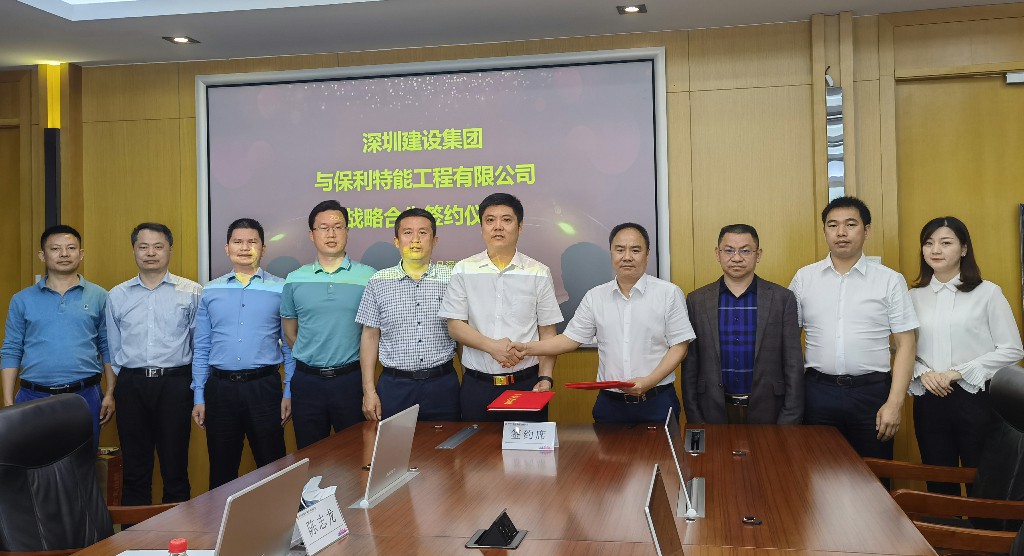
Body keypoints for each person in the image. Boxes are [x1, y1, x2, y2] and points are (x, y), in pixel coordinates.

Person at [512, 222, 693, 423]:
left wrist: (649, 381)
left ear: (647, 254)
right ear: (611, 253)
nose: (627, 257)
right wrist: (526, 348)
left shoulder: (669, 293)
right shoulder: (595, 296)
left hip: (656, 400)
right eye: (620, 250)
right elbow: (569, 340)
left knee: (661, 446)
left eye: (635, 250)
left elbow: (680, 346)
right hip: (610, 403)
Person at [789, 196, 918, 459]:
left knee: (873, 475)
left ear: (866, 230)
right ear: (824, 231)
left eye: (850, 224)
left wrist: (895, 403)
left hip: (872, 394)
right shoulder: (804, 278)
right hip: (817, 393)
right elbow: (787, 338)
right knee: (818, 474)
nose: (841, 232)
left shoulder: (890, 280)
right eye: (833, 225)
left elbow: (906, 343)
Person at [908, 216, 1023, 494]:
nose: (935, 250)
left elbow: (1012, 349)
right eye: (929, 243)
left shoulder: (988, 293)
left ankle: (981, 524)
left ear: (963, 249)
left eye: (946, 243)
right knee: (938, 481)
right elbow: (905, 349)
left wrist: (958, 372)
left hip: (976, 400)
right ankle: (943, 525)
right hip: (929, 399)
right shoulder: (913, 296)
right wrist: (923, 373)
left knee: (981, 481)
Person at [439, 193, 562, 422]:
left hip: (526, 384)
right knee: (476, 446)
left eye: (506, 220)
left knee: (526, 446)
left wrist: (545, 378)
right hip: (477, 386)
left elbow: (547, 332)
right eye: (490, 220)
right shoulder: (463, 269)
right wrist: (493, 347)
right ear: (482, 228)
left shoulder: (538, 272)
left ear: (520, 227)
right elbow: (455, 326)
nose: (498, 227)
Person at [190, 218, 294, 490]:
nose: (244, 248)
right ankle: (220, 520)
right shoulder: (210, 290)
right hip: (220, 389)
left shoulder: (281, 288)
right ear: (227, 248)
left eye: (252, 242)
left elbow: (290, 346)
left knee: (273, 469)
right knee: (221, 471)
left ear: (263, 248)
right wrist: (199, 395)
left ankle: (276, 518)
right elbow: (202, 347)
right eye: (237, 242)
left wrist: (288, 391)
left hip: (264, 388)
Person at [105, 223, 201, 505]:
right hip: (131, 385)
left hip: (175, 384)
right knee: (135, 470)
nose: (150, 253)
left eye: (158, 247)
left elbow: (198, 345)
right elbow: (113, 347)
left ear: (170, 250)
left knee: (175, 468)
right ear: (134, 251)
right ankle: (135, 533)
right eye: (143, 247)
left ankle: (179, 531)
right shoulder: (117, 295)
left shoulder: (192, 292)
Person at [1, 224, 114, 452]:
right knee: (33, 463)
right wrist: (8, 401)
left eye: (71, 248)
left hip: (85, 395)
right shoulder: (22, 299)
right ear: (42, 255)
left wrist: (110, 393)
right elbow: (11, 349)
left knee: (83, 464)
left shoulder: (100, 296)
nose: (64, 254)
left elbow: (108, 346)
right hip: (32, 396)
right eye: (55, 249)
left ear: (81, 254)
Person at [682, 224, 803, 425]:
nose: (736, 258)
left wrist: (789, 419)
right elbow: (690, 366)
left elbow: (793, 363)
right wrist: (694, 416)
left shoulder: (782, 299)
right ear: (717, 253)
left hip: (769, 409)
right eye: (729, 250)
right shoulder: (697, 300)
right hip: (712, 410)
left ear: (758, 254)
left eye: (745, 251)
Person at [282, 201, 375, 448]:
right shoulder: (294, 279)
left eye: (338, 227)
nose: (331, 234)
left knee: (355, 453)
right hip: (307, 382)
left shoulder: (369, 277)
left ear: (347, 231)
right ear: (311, 234)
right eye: (323, 228)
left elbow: (373, 333)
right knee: (310, 454)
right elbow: (290, 333)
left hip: (350, 380)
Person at [356, 208, 459, 421]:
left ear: (434, 240)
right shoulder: (378, 282)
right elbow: (370, 336)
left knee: (446, 442)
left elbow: (462, 334)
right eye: (407, 233)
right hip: (395, 387)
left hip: (442, 385)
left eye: (423, 232)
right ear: (396, 241)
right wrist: (369, 391)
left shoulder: (452, 279)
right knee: (394, 443)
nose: (415, 240)